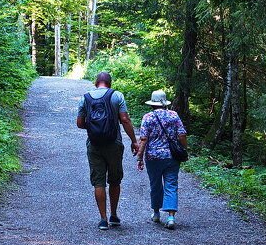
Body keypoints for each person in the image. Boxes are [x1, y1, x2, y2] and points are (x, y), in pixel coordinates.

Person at [76, 71, 138, 230]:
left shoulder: (85, 97)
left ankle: (103, 219)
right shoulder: (117, 96)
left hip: (94, 144)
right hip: (114, 143)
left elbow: (80, 123)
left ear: (96, 83)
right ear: (110, 84)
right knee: (115, 179)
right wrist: (133, 140)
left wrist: (95, 126)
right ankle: (114, 215)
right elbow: (124, 119)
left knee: (98, 181)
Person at [136, 89, 187, 229]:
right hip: (172, 156)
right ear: (164, 103)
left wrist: (139, 157)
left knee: (155, 185)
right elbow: (182, 135)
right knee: (171, 184)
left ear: (152, 103)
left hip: (153, 157)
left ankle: (156, 213)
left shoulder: (148, 117)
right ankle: (171, 217)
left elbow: (144, 139)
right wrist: (184, 150)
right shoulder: (173, 115)